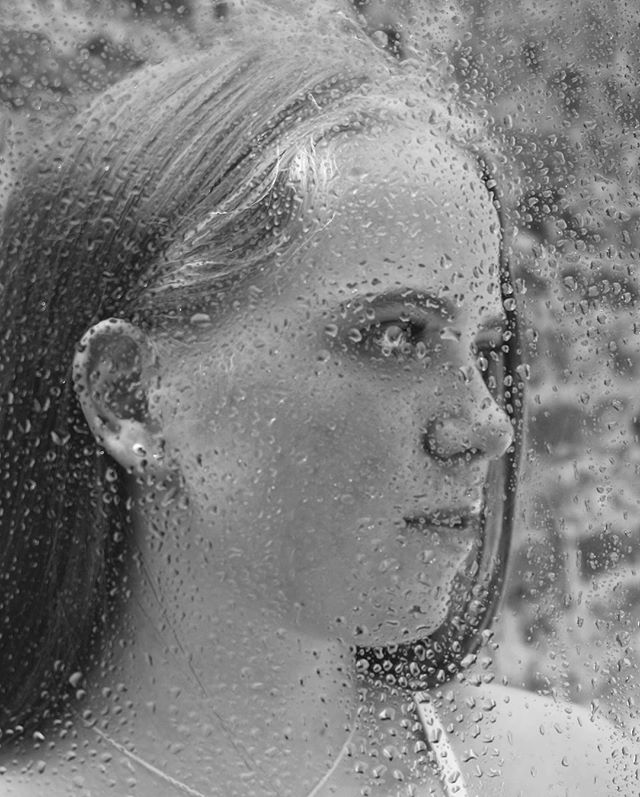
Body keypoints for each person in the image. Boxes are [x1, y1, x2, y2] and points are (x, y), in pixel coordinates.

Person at [0, 12, 636, 797]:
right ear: (132, 395)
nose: (486, 424)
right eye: (395, 334)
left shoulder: (561, 773)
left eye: (486, 350)